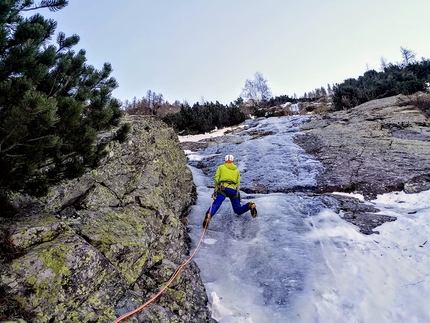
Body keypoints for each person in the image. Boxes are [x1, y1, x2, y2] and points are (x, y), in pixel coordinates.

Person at [203, 154, 257, 228]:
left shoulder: (221, 167)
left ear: (225, 161)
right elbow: (238, 183)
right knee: (237, 210)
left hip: (223, 189)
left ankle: (209, 214)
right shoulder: (236, 170)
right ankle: (249, 205)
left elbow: (216, 178)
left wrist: (216, 188)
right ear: (233, 161)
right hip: (234, 190)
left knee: (216, 204)